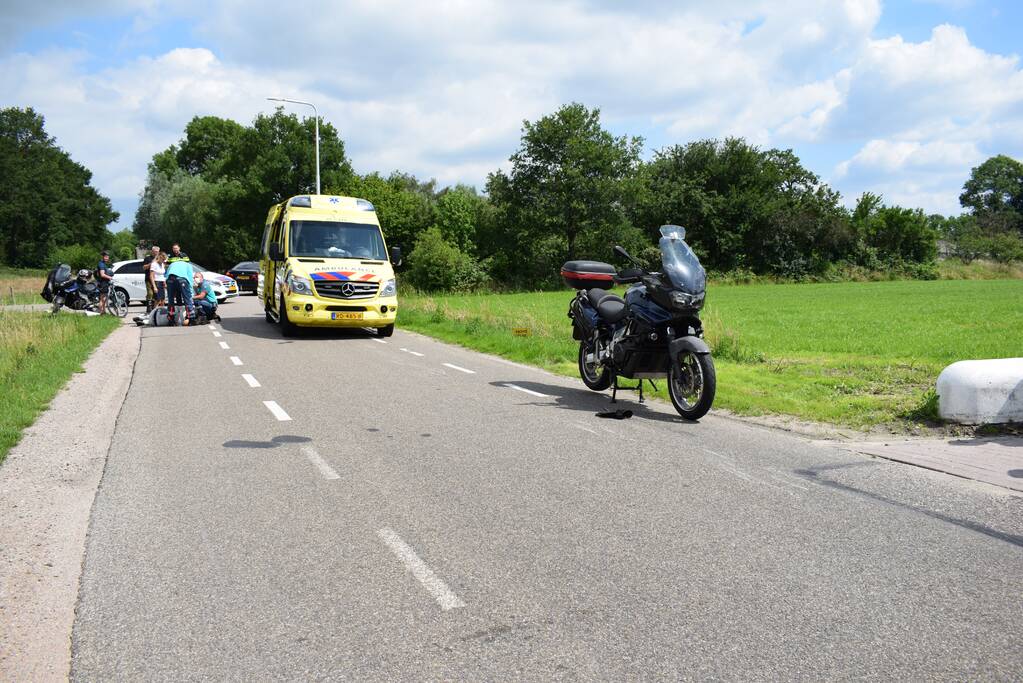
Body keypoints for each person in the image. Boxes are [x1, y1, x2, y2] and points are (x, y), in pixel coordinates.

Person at [165, 247, 195, 325]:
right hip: (181, 279)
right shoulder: (188, 265)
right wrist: (191, 292)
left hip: (170, 280)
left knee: (171, 300)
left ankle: (171, 319)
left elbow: (166, 275)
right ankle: (191, 318)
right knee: (187, 299)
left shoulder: (172, 264)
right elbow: (190, 278)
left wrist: (168, 285)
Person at [95, 250, 114, 314]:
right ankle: (100, 313)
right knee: (102, 298)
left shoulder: (103, 264)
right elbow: (102, 274)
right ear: (102, 257)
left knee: (104, 298)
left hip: (104, 283)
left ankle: (104, 312)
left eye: (107, 257)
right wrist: (110, 277)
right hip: (103, 283)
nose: (107, 258)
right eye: (105, 257)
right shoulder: (101, 264)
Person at [142, 245, 159, 312]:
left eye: (157, 252)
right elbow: (144, 267)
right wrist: (152, 263)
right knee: (150, 293)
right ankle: (149, 307)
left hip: (157, 279)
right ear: (152, 251)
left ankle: (154, 308)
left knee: (156, 294)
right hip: (148, 278)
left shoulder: (159, 259)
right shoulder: (147, 258)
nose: (156, 253)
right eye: (155, 251)